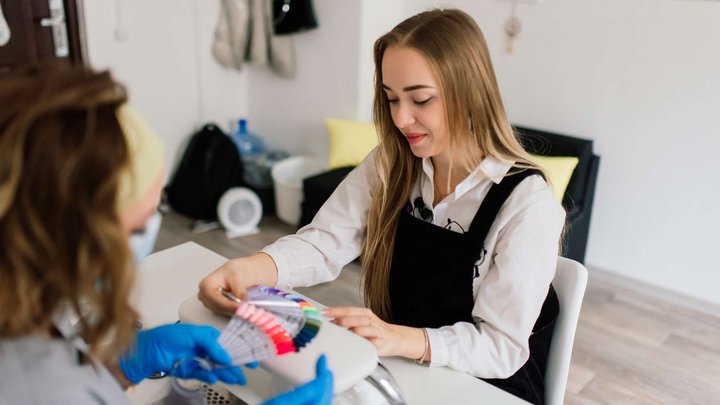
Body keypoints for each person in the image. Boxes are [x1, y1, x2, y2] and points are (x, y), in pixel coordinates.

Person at [199, 8, 564, 405]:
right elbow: (325, 241)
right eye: (391, 99)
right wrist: (250, 268)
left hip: (484, 386)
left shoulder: (528, 204)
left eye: (420, 99)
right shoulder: (391, 163)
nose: (401, 119)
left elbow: (500, 347)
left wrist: (398, 337)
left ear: (469, 91)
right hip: (400, 369)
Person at [0, 63, 332, 405]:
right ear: (68, 239)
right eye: (140, 225)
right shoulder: (38, 387)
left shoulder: (29, 318)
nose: (148, 237)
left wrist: (119, 366)